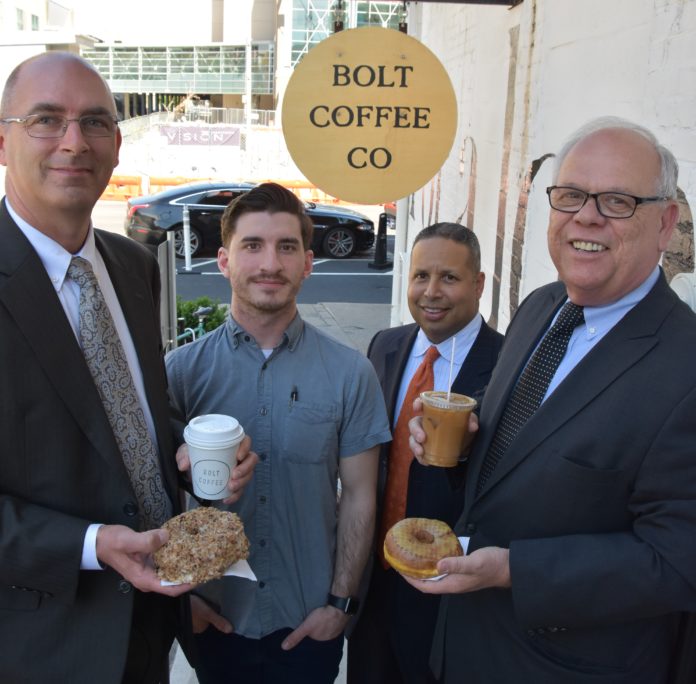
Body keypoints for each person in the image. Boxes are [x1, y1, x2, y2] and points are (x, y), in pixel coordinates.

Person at [406, 117, 696, 683]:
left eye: (617, 200)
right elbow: (521, 440)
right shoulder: (541, 306)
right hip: (462, 643)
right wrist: (461, 440)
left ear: (664, 224)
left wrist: (517, 571)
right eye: (570, 196)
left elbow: (677, 560)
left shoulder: (685, 364)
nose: (586, 216)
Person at [0, 51, 255, 684]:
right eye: (45, 119)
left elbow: (128, 409)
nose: (72, 142)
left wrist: (185, 452)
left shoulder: (133, 266)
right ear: (2, 141)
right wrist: (90, 546)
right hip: (40, 641)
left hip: (151, 622)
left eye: (94, 122)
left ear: (116, 145)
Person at [165, 182, 391, 683]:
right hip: (215, 619)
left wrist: (340, 604)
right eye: (253, 245)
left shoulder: (350, 373)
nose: (271, 263)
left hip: (308, 620)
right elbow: (154, 495)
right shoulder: (179, 373)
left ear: (308, 262)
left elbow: (358, 496)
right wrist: (184, 600)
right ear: (224, 261)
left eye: (286, 246)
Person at [347, 223, 503, 684]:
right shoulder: (386, 345)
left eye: (449, 278)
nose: (431, 292)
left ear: (477, 284)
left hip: (450, 591)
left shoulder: (510, 363)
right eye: (420, 277)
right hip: (375, 578)